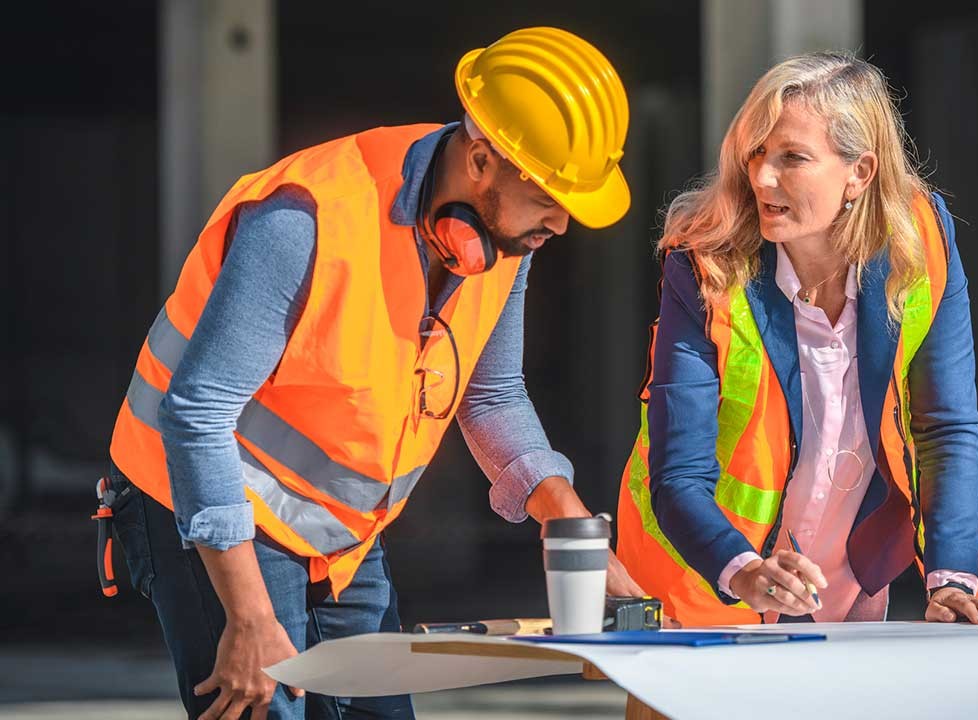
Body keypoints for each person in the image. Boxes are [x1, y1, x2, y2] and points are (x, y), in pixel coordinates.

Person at [104, 27, 642, 720]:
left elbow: (493, 395)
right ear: (481, 159)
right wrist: (246, 613)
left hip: (339, 535)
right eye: (549, 197)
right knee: (262, 702)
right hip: (209, 509)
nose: (561, 224)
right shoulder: (305, 219)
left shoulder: (505, 240)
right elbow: (195, 414)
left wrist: (569, 527)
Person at [616, 51, 978, 627]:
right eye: (756, 153)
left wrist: (950, 579)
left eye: (792, 158)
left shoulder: (923, 240)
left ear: (861, 172)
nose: (761, 177)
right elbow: (679, 474)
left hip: (848, 580)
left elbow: (944, 425)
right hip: (704, 580)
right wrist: (744, 570)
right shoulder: (703, 265)